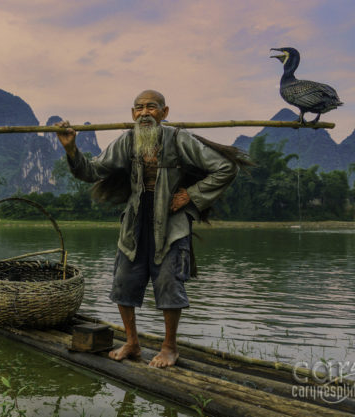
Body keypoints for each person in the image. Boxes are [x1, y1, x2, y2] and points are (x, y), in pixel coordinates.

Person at [56, 90, 241, 368]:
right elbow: (92, 171)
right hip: (135, 220)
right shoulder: (128, 140)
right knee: (123, 281)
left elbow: (226, 167)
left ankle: (169, 348)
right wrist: (71, 148)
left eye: (151, 108)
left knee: (169, 282)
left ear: (164, 113)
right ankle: (132, 342)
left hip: (171, 220)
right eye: (139, 108)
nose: (144, 113)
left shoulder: (179, 139)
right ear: (132, 114)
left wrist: (191, 194)